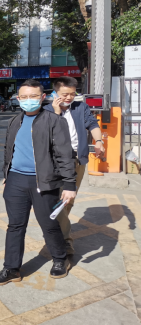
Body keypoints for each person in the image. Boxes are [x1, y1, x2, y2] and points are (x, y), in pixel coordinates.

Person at [0, 79, 77, 286]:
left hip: (44, 181)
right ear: (18, 98)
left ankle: (60, 259)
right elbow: (8, 150)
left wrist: (69, 185)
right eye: (24, 97)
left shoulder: (54, 121)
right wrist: (7, 176)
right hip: (16, 180)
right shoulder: (15, 121)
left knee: (49, 224)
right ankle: (11, 269)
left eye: (34, 96)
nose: (29, 100)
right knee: (15, 226)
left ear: (42, 97)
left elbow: (64, 155)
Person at [43, 76, 105, 255]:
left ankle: (57, 232)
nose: (69, 97)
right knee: (58, 200)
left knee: (68, 200)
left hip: (77, 160)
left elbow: (92, 123)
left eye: (72, 94)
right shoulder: (46, 110)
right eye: (65, 94)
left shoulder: (80, 107)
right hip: (55, 163)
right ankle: (65, 242)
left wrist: (99, 141)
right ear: (55, 93)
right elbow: (46, 133)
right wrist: (56, 113)